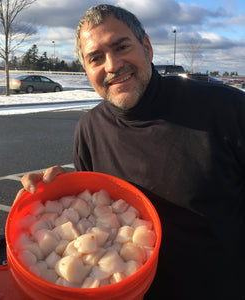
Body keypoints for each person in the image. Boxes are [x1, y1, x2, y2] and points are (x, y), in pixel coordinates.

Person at [16, 4, 245, 299]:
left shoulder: (225, 109)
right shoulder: (89, 129)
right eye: (95, 58)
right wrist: (60, 188)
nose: (111, 65)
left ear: (146, 47)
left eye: (121, 46)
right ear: (86, 70)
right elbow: (98, 214)